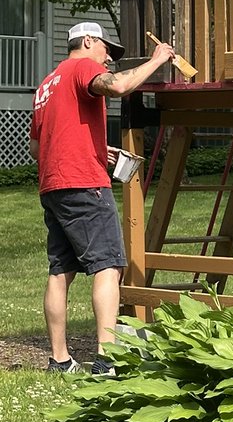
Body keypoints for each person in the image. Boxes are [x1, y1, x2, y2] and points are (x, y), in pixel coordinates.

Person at [29, 21, 175, 375]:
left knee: (60, 271)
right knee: (109, 266)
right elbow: (121, 85)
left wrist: (92, 148)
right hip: (84, 184)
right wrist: (158, 59)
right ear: (89, 41)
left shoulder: (47, 84)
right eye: (106, 49)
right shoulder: (84, 67)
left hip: (53, 186)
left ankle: (60, 360)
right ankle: (107, 360)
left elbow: (37, 147)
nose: (108, 57)